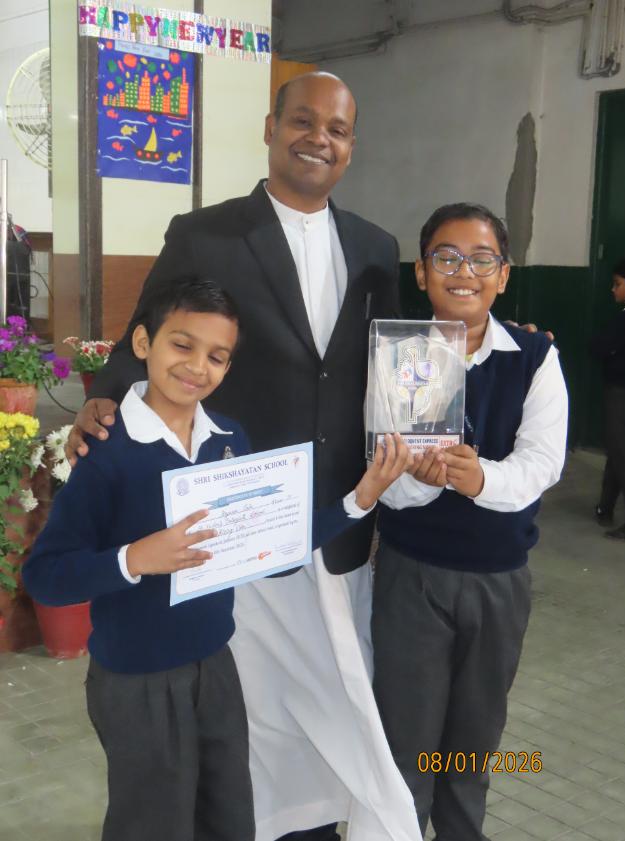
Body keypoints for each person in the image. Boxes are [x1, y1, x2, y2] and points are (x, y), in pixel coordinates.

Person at [63, 72, 411, 841]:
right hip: (240, 508)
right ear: (269, 127)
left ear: (351, 146)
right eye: (302, 121)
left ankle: (319, 822)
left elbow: (400, 364)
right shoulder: (207, 234)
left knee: (334, 690)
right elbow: (145, 335)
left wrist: (490, 353)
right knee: (248, 702)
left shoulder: (375, 248)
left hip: (337, 514)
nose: (318, 138)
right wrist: (104, 399)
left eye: (336, 129)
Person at [23, 276, 412, 841]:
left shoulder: (227, 437)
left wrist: (358, 501)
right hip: (137, 679)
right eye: (182, 345)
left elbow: (271, 549)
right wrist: (135, 558)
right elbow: (46, 577)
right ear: (143, 344)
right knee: (152, 824)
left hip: (216, 665)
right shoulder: (107, 451)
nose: (197, 366)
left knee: (227, 813)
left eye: (217, 356)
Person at [371, 203, 568, 840]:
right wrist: (420, 482)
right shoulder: (404, 354)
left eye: (482, 259)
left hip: (498, 579)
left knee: (473, 742)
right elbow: (386, 479)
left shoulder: (533, 356)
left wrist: (479, 478)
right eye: (447, 258)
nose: (464, 272)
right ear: (421, 272)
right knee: (406, 737)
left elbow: (542, 462)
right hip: (412, 576)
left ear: (503, 275)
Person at [591, 256, 625, 540]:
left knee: (622, 454)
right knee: (618, 451)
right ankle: (605, 506)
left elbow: (597, 347)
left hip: (621, 393)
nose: (613, 289)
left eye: (618, 284)